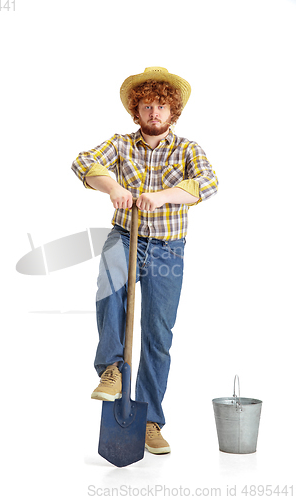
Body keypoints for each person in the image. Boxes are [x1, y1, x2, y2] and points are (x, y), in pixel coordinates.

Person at [71, 67, 218, 454]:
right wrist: (114, 186)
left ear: (173, 112)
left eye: (162, 106)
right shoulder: (121, 144)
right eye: (147, 105)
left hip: (169, 247)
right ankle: (112, 369)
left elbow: (206, 183)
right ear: (137, 111)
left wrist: (164, 195)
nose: (155, 112)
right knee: (110, 283)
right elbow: (84, 162)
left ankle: (150, 420)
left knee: (158, 335)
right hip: (126, 238)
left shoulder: (187, 149)